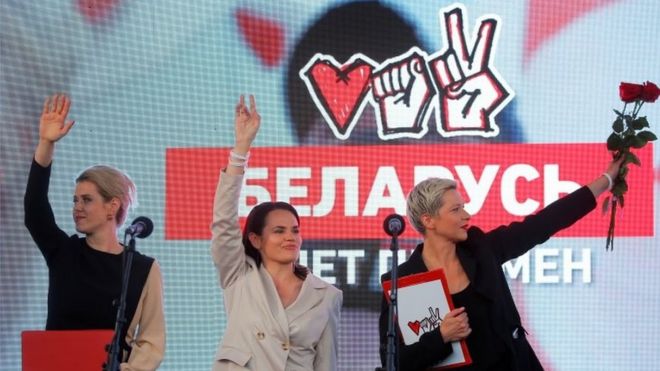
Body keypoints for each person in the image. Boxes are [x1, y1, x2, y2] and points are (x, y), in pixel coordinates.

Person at [378, 157, 624, 370]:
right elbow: (395, 362)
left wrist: (607, 179)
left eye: (463, 207)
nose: (466, 216)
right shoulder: (403, 282)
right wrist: (441, 336)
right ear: (428, 220)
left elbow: (544, 223)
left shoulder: (482, 248)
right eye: (456, 210)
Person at [24, 94, 165, 371]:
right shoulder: (64, 252)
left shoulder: (142, 268)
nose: (77, 207)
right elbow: (34, 210)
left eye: (87, 200)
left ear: (113, 205)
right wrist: (46, 143)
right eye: (75, 200)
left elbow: (151, 339)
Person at [210, 95, 343, 370]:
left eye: (295, 230)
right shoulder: (239, 275)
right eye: (279, 231)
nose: (290, 237)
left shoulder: (327, 295)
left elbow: (326, 364)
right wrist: (241, 148)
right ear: (255, 239)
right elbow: (223, 221)